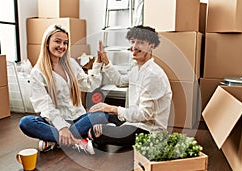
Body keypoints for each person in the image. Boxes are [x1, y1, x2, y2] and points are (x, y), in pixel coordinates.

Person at [18, 24, 108, 154]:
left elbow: (89, 84)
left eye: (65, 43)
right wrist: (61, 127)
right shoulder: (37, 73)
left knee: (102, 114)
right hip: (53, 122)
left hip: (78, 118)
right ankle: (77, 142)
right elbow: (45, 105)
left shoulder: (71, 63)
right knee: (26, 122)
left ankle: (53, 140)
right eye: (57, 41)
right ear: (47, 42)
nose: (62, 46)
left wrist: (98, 62)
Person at [87, 25, 172, 148]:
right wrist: (105, 61)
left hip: (147, 131)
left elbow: (144, 114)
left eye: (140, 42)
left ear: (151, 46)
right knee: (98, 117)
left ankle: (98, 138)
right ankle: (103, 135)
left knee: (97, 132)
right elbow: (120, 81)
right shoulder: (137, 68)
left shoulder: (153, 75)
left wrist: (111, 108)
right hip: (132, 121)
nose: (134, 47)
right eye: (133, 42)